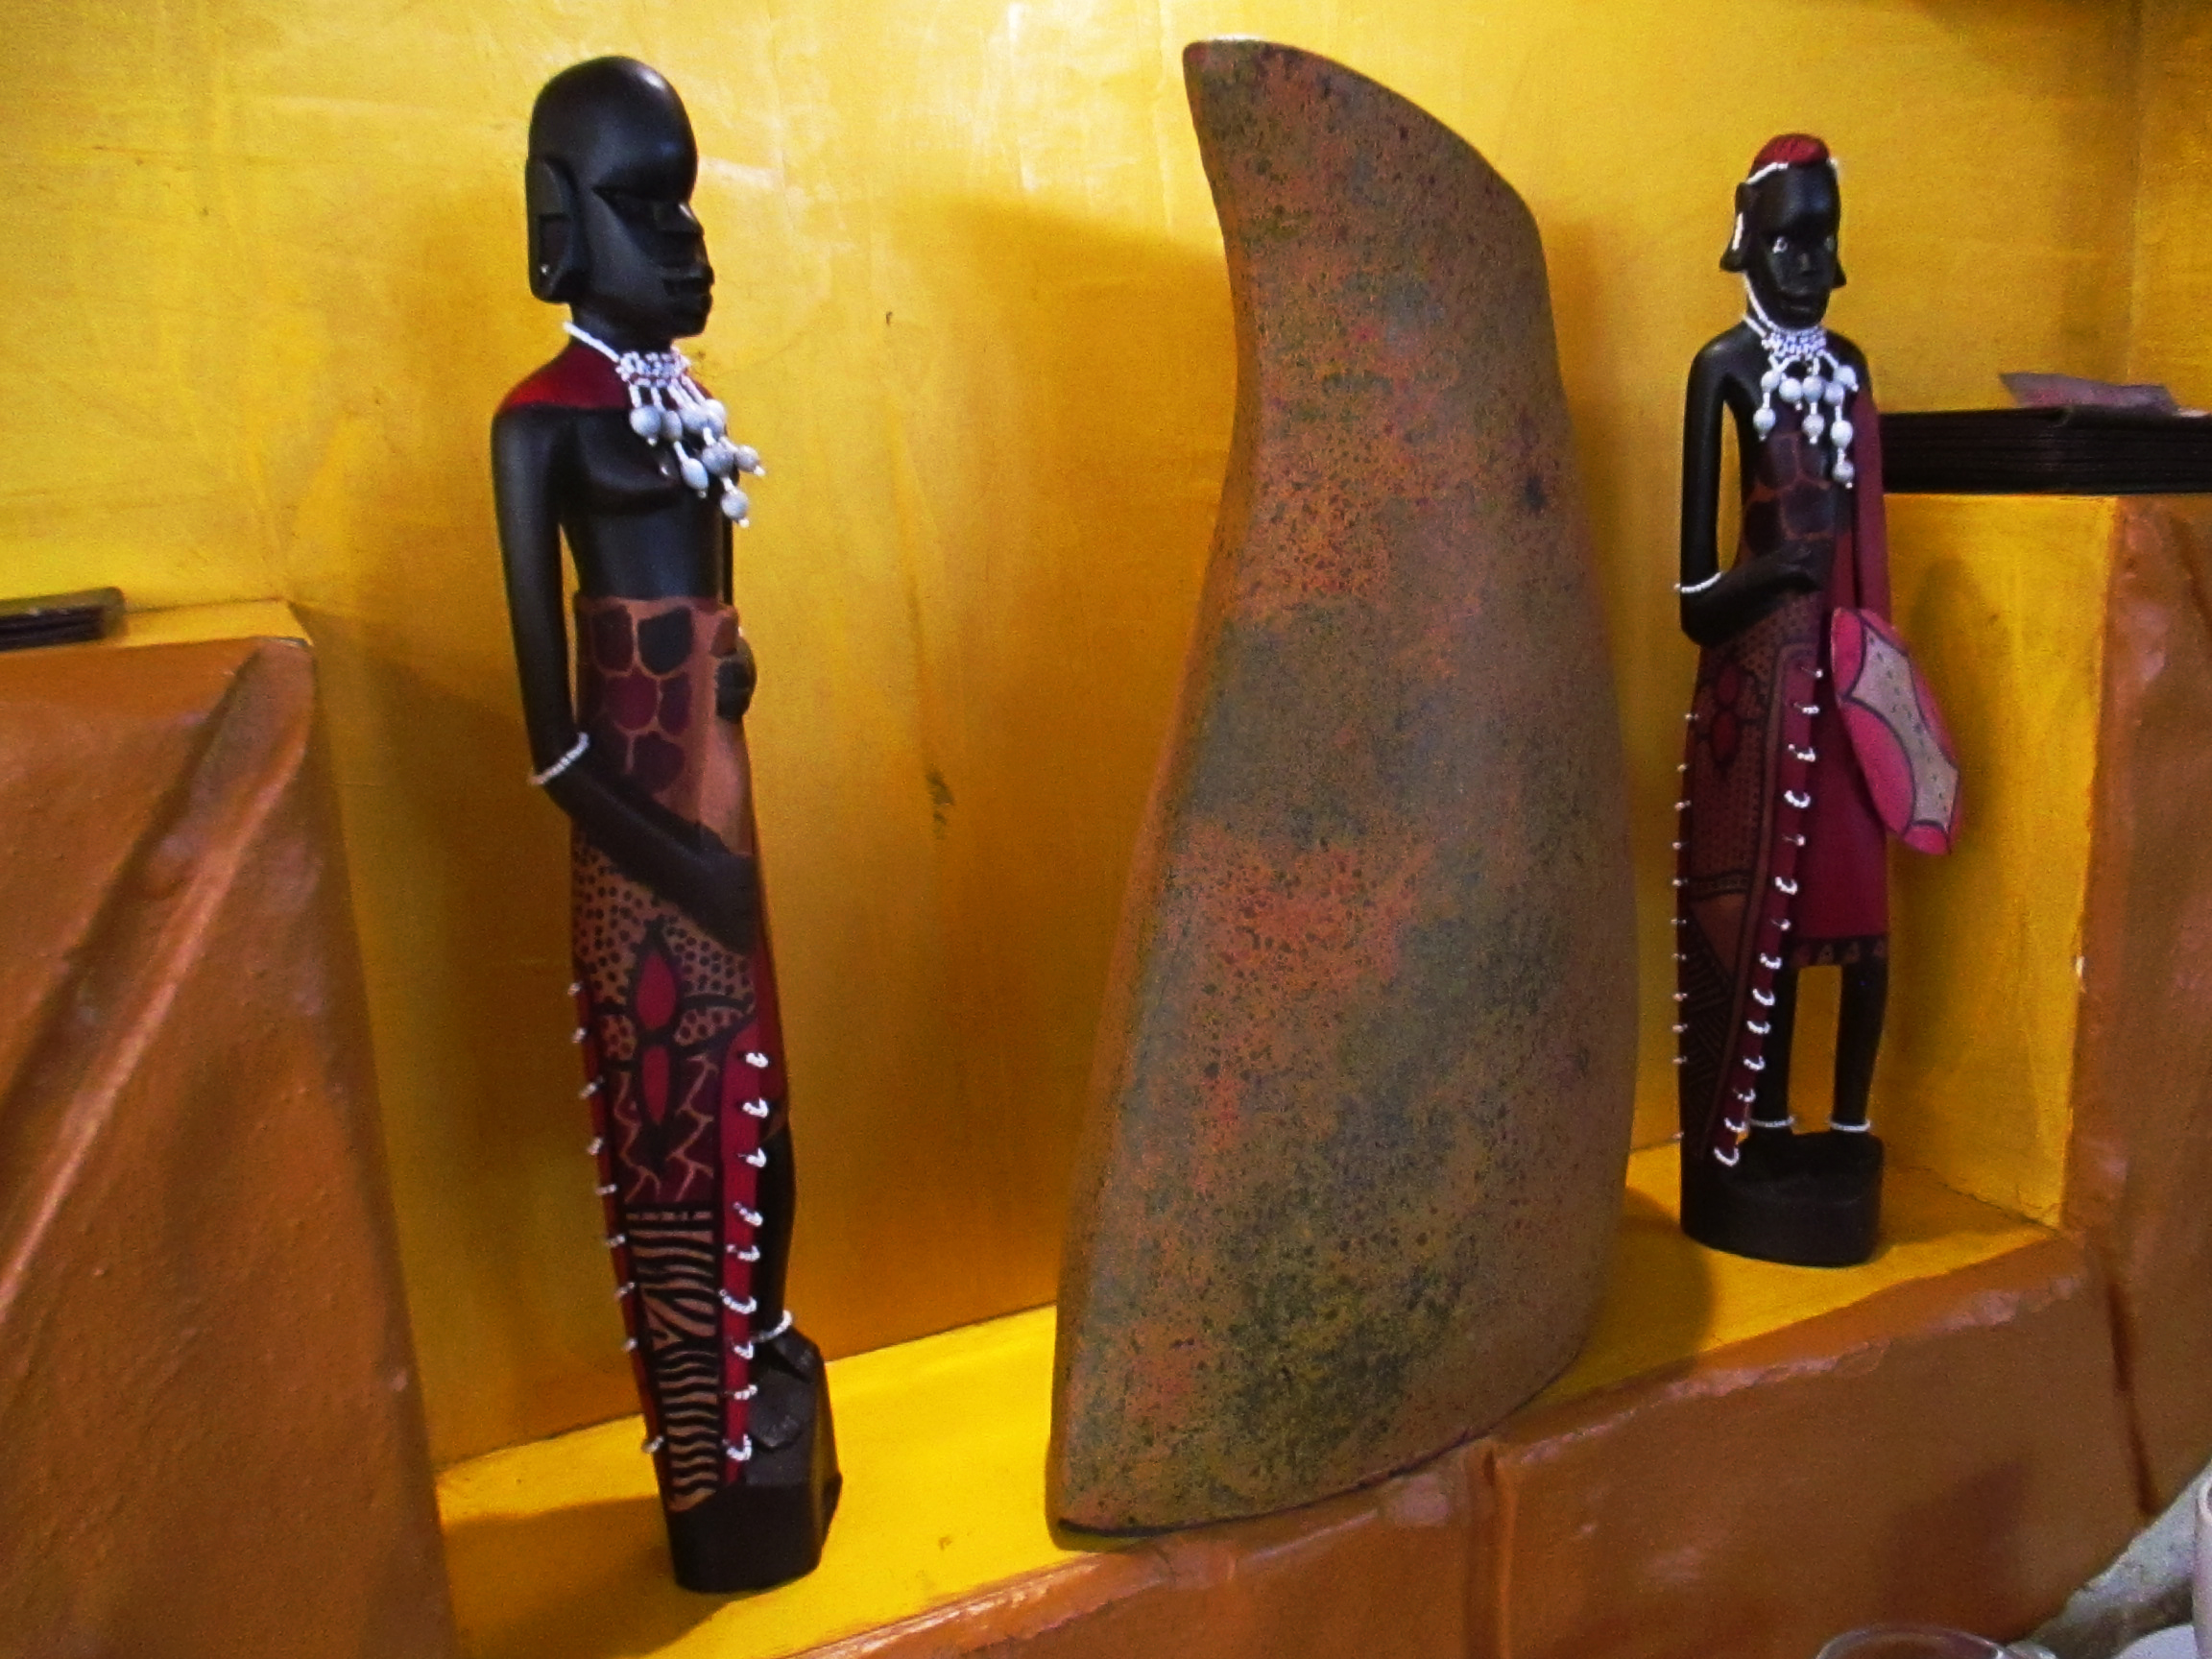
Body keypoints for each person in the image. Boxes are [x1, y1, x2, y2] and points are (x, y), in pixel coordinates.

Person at [491, 56, 837, 1590]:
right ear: (561, 222)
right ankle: (710, 1439)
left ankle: (766, 1347)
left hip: (718, 812)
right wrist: (685, 862)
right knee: (677, 1127)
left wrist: (729, 670)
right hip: (650, 844)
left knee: (761, 1109)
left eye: (690, 208)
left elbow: (711, 621)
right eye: (649, 207)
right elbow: (555, 743)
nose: (688, 243)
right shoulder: (539, 423)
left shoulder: (683, 403)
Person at [1671, 133, 1892, 1267]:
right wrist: (1773, 580)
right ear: (1747, 241)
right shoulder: (1722, 367)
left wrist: (1876, 670)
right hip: (1754, 689)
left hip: (1842, 676)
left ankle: (1845, 1128)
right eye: (1787, 239)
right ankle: (1752, 1131)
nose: (1808, 263)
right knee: (1762, 910)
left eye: (1824, 239)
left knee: (1854, 917)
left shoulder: (1849, 368)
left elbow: (1871, 541)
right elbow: (1692, 595)